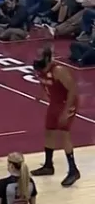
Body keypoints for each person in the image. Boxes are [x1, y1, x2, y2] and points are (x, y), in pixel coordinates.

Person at [30, 47, 80, 187]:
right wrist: (41, 95)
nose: (36, 59)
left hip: (67, 103)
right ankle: (48, 165)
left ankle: (73, 170)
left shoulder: (58, 70)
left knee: (64, 134)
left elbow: (73, 90)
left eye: (39, 56)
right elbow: (43, 83)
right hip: (55, 103)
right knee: (49, 131)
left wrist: (66, 111)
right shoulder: (40, 69)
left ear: (47, 58)